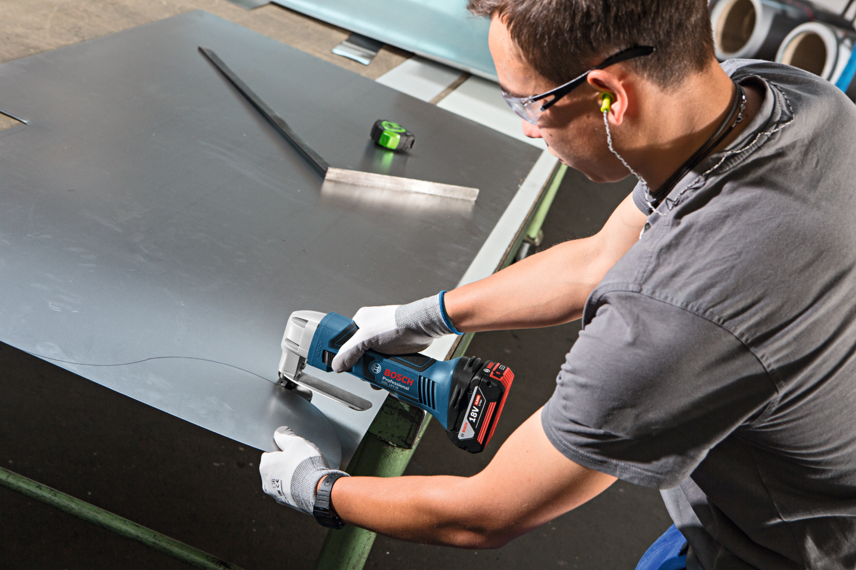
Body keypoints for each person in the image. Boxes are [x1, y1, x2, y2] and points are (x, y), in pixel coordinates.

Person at [259, 1, 856, 568]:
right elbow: (598, 260)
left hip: (785, 549)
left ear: (609, 98)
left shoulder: (672, 319)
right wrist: (423, 316)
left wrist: (321, 489)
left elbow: (485, 514)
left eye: (528, 105)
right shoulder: (787, 98)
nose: (527, 130)